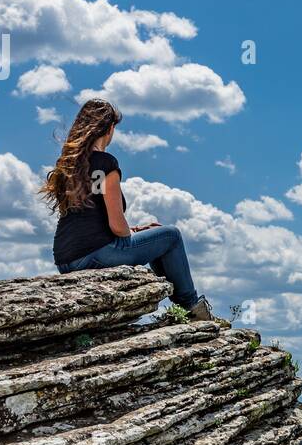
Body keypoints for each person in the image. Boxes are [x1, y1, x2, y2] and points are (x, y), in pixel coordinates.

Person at [39, 98, 213, 320]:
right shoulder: (105, 163)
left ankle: (182, 309)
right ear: (109, 128)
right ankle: (190, 308)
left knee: (154, 239)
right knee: (171, 236)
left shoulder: (69, 165)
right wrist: (131, 233)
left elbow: (91, 218)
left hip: (66, 259)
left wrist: (137, 230)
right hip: (96, 253)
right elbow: (117, 227)